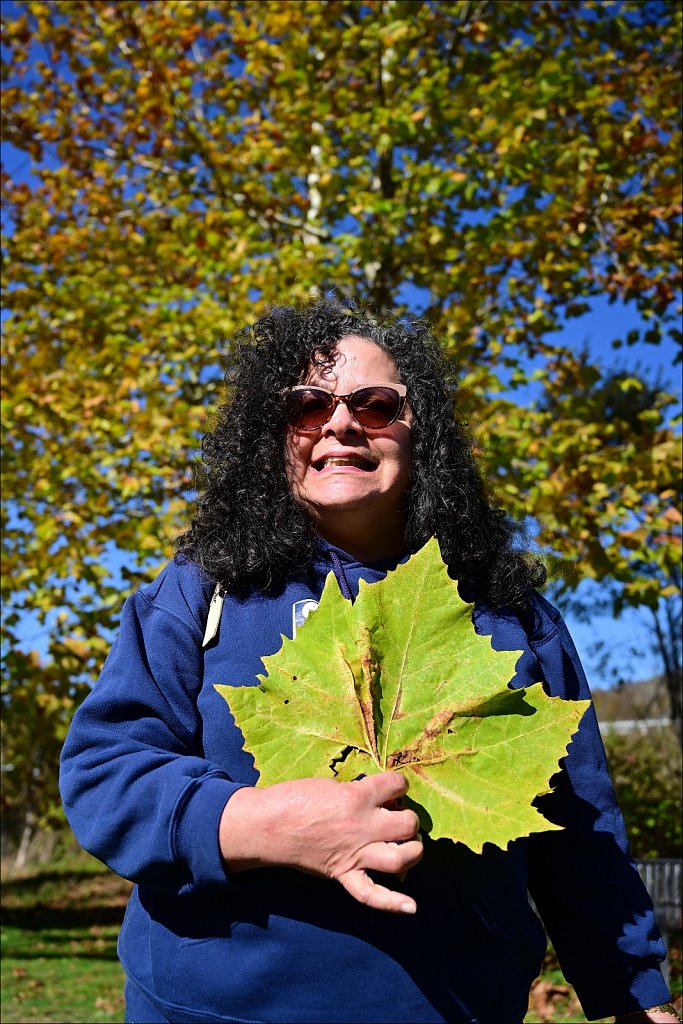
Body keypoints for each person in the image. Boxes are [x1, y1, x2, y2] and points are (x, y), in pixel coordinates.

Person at [59, 296, 679, 1024]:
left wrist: (636, 994)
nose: (341, 423)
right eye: (305, 406)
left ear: (423, 436)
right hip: (209, 1010)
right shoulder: (203, 590)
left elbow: (580, 831)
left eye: (376, 405)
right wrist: (259, 824)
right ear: (273, 436)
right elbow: (105, 773)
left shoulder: (508, 611)